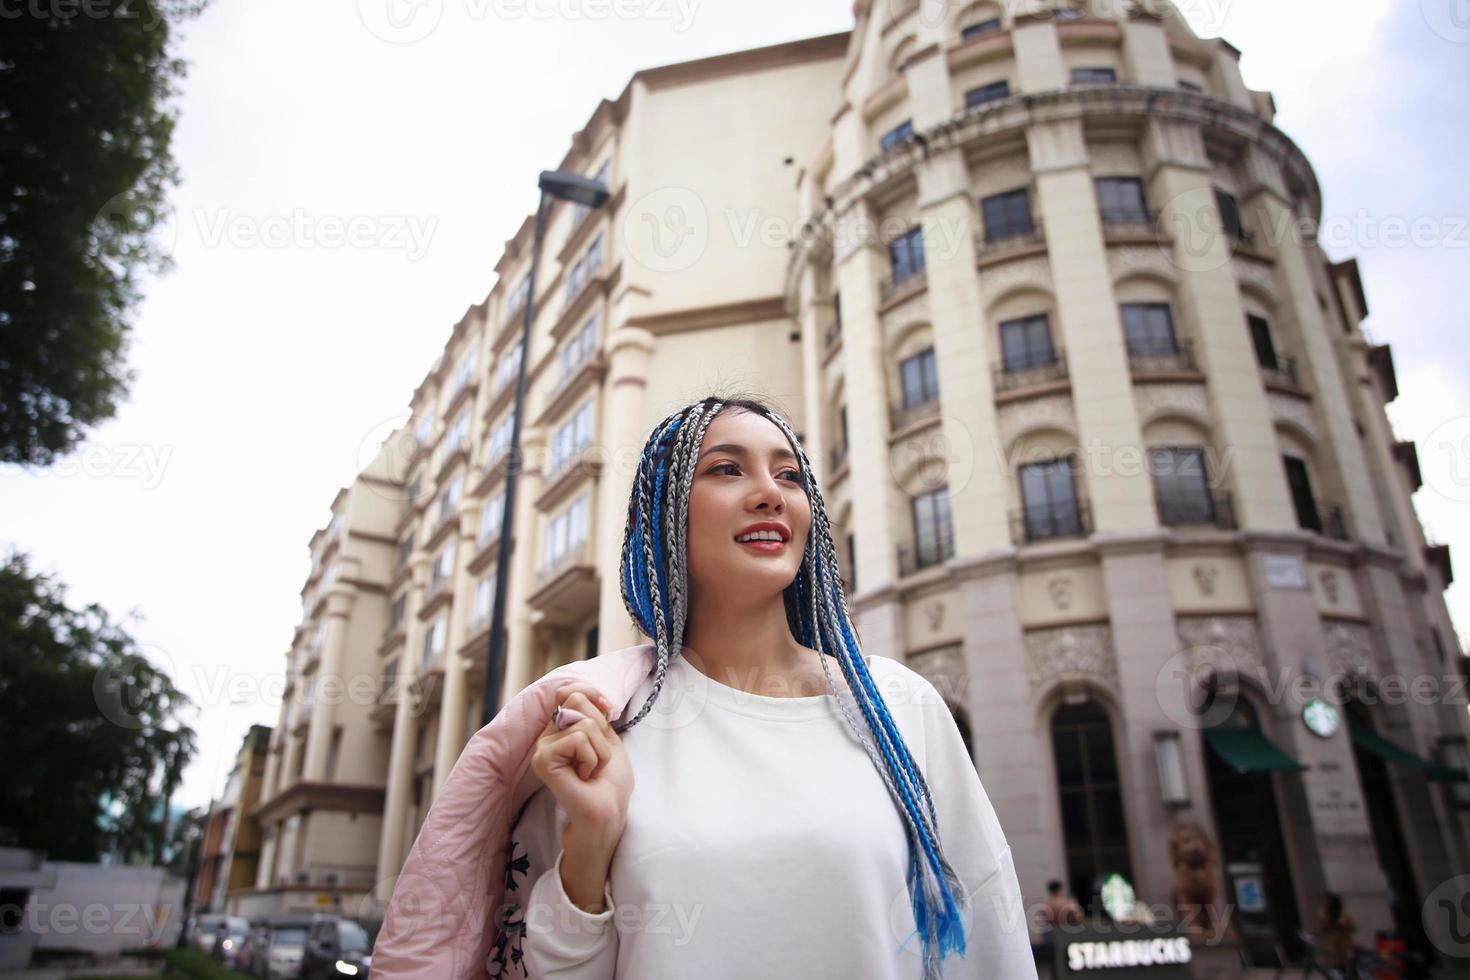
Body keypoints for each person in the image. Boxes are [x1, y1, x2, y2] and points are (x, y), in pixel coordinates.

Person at [495, 393, 1036, 979]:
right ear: (658, 514)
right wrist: (591, 845)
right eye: (726, 469)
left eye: (789, 476)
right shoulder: (599, 727)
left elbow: (987, 944)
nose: (770, 494)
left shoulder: (898, 707)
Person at [1317, 891, 1357, 971]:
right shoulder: (1323, 914)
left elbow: (1352, 928)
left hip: (1345, 945)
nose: (1324, 902)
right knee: (1338, 969)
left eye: (1326, 900)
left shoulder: (1343, 914)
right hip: (1333, 947)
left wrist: (1343, 925)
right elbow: (1323, 928)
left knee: (1350, 968)